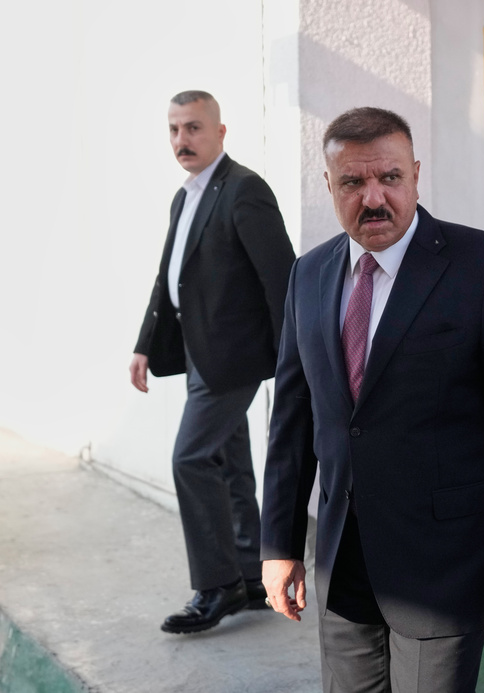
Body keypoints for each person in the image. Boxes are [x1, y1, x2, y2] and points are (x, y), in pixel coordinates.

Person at [260, 107, 484, 693]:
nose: (374, 198)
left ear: (416, 175)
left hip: (443, 568)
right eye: (353, 182)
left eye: (390, 179)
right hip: (342, 563)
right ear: (328, 184)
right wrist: (279, 544)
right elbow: (294, 421)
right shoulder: (309, 274)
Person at [130, 90, 295, 634]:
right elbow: (167, 273)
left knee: (190, 460)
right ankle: (248, 575)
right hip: (199, 353)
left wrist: (294, 356)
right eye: (175, 130)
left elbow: (282, 277)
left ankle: (216, 585)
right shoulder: (186, 196)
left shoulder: (244, 190)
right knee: (228, 462)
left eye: (194, 128)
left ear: (221, 132)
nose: (182, 140)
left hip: (235, 356)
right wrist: (145, 344)